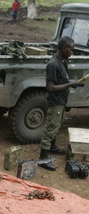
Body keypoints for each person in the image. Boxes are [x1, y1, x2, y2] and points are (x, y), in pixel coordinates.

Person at [38, 36, 84, 171]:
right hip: (55, 101)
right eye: (71, 49)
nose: (72, 52)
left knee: (57, 124)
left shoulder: (63, 60)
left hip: (62, 100)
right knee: (51, 127)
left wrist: (72, 83)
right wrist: (70, 84)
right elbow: (50, 87)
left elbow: (61, 80)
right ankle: (43, 159)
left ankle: (52, 147)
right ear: (64, 49)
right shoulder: (53, 64)